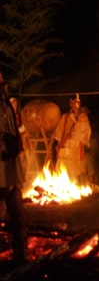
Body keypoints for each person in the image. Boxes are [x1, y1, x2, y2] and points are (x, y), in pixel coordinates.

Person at [0, 77, 28, 264]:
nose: (5, 84)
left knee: (16, 209)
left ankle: (20, 254)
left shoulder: (6, 105)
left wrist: (14, 144)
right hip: (2, 163)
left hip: (9, 162)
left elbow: (13, 133)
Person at [51, 94, 91, 184]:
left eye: (76, 102)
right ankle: (61, 184)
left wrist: (72, 135)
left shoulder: (82, 116)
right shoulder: (65, 116)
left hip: (75, 146)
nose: (74, 104)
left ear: (79, 103)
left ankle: (74, 184)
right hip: (65, 145)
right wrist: (61, 138)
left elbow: (84, 129)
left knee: (74, 167)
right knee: (62, 164)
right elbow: (60, 130)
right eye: (72, 102)